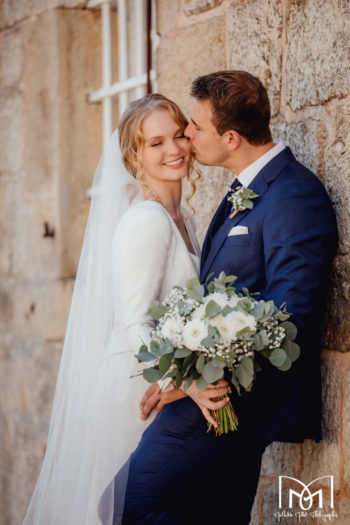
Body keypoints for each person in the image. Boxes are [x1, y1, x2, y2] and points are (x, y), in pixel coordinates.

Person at [117, 71, 338, 524]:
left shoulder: (294, 196)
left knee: (132, 505)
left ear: (231, 137)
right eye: (160, 141)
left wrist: (189, 381)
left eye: (190, 129)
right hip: (203, 397)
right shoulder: (238, 194)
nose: (185, 141)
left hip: (230, 400)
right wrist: (179, 380)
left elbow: (290, 316)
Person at [23, 93, 228, 525]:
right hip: (138, 385)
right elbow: (135, 322)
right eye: (155, 144)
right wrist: (187, 382)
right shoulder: (147, 219)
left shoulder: (182, 217)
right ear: (134, 156)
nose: (173, 150)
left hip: (160, 379)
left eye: (177, 136)